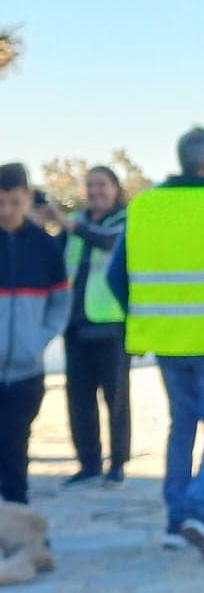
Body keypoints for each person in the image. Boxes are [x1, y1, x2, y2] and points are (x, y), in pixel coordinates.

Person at [107, 127, 204, 559]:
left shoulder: (144, 207)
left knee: (182, 425)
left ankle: (176, 520)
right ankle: (200, 512)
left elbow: (117, 277)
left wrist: (148, 315)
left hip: (166, 342)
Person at [47, 166, 133, 488]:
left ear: (115, 188)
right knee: (79, 398)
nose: (96, 191)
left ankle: (119, 463)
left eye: (102, 184)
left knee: (116, 398)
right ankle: (89, 462)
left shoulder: (123, 221)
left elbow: (108, 243)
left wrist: (68, 223)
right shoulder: (77, 224)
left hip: (110, 323)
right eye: (91, 185)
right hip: (75, 322)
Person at [0, 164, 71, 505]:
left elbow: (60, 303)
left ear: (26, 198)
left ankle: (16, 531)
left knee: (15, 451)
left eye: (13, 202)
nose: (6, 211)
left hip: (27, 372)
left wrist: (39, 339)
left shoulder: (46, 247)